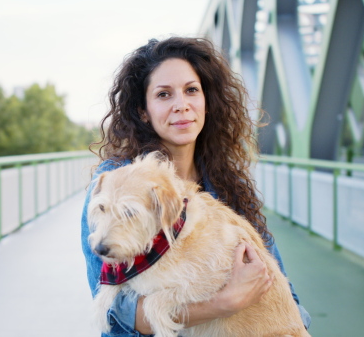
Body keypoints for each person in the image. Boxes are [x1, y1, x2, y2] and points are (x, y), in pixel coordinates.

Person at [80, 36, 311, 336]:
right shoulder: (113, 185)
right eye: (164, 94)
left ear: (206, 101)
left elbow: (275, 280)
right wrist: (223, 303)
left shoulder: (227, 183)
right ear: (143, 110)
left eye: (191, 90)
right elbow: (117, 316)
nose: (181, 105)